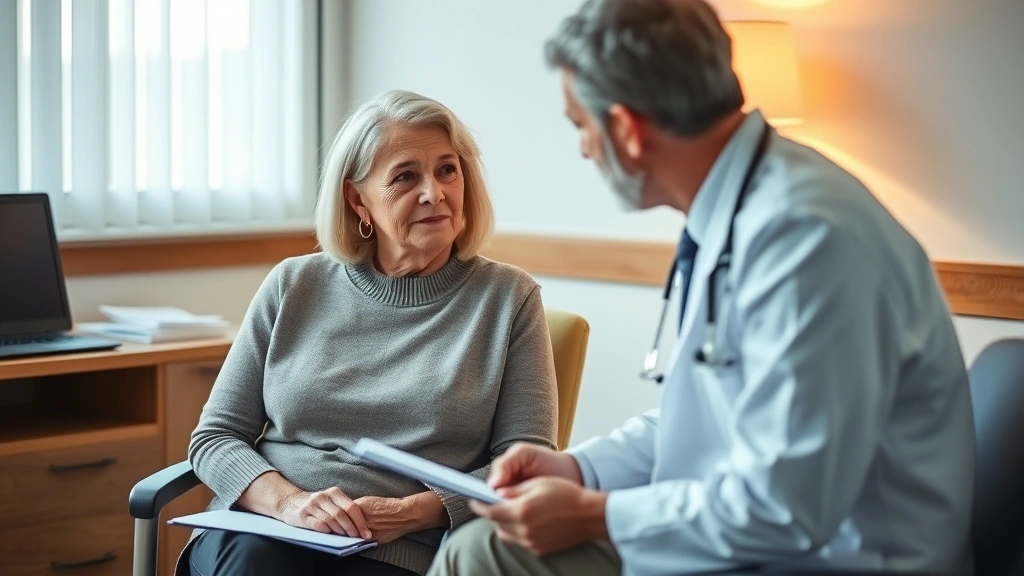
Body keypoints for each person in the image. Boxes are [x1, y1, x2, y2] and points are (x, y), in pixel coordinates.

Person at [428, 1, 975, 575]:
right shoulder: (740, 210)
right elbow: (708, 418)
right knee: (484, 546)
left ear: (627, 129)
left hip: (834, 558)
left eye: (581, 126)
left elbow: (784, 508)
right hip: (753, 538)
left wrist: (596, 514)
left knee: (480, 556)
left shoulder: (806, 241)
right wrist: (578, 471)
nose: (584, 148)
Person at [183, 90, 559, 576]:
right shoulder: (294, 284)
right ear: (357, 199)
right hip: (266, 530)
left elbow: (525, 464)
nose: (434, 192)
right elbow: (215, 437)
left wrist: (412, 513)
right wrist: (290, 504)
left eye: (448, 169)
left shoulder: (509, 299)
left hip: (400, 550)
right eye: (406, 176)